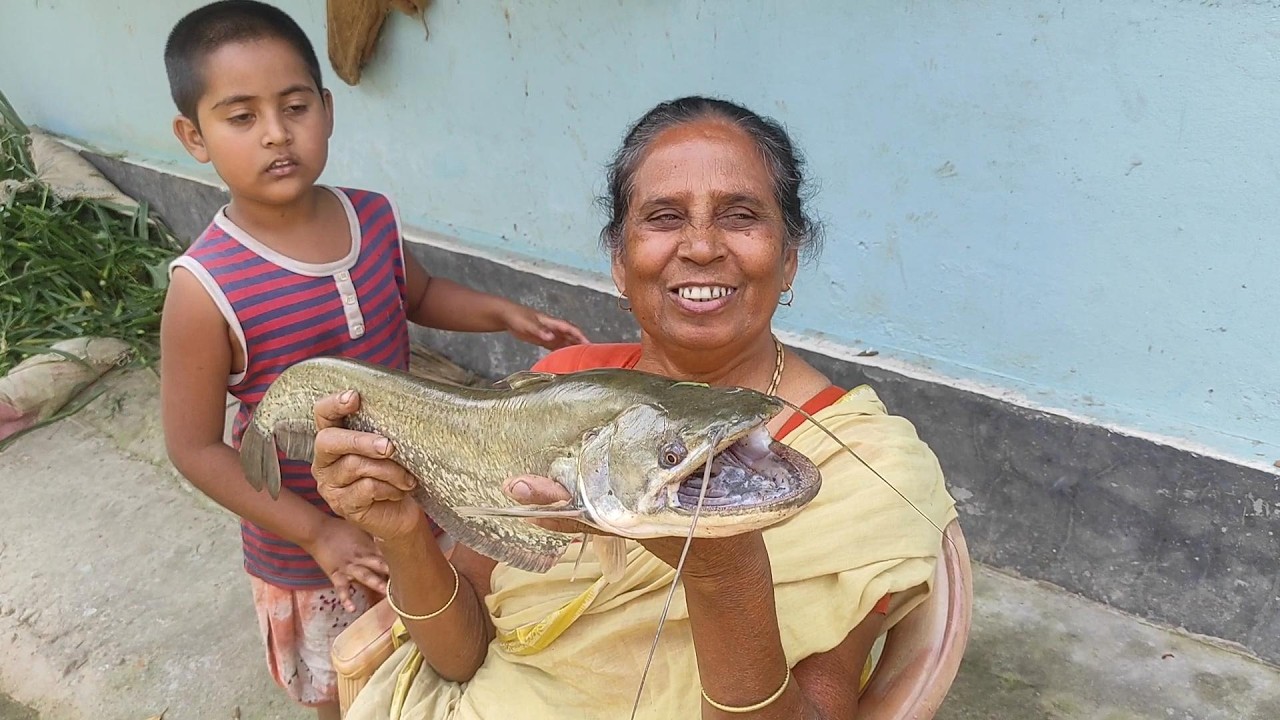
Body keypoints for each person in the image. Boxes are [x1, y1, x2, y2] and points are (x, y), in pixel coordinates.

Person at [309, 96, 958, 719]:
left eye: (740, 215)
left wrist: (723, 572)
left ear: (788, 258)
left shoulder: (862, 464)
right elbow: (461, 654)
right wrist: (403, 534)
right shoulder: (555, 390)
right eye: (665, 217)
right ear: (620, 262)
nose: (702, 247)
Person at [156, 3, 588, 718]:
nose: (275, 133)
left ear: (326, 110)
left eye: (294, 106)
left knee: (444, 647)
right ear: (193, 137)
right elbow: (194, 447)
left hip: (415, 497)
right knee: (348, 687)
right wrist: (318, 529)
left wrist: (503, 313)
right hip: (311, 550)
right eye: (241, 117)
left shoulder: (371, 217)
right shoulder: (204, 290)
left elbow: (419, 293)